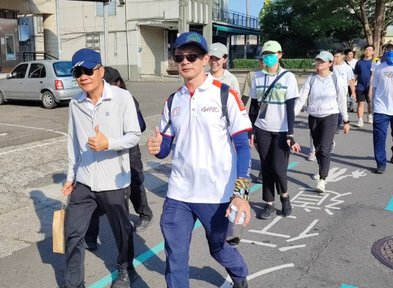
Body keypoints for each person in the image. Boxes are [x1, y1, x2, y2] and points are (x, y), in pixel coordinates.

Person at [147, 32, 252, 288]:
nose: (185, 61)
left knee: (220, 250)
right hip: (179, 194)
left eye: (192, 56)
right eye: (179, 57)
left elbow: (242, 146)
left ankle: (239, 275)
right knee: (175, 258)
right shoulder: (173, 100)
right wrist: (158, 149)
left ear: (205, 59)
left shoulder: (225, 95)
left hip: (217, 194)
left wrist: (241, 193)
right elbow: (166, 148)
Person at [61, 48, 141, 288]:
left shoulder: (120, 97)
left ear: (101, 71)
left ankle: (126, 269)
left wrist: (109, 143)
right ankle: (74, 283)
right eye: (77, 72)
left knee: (121, 231)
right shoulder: (76, 103)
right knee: (73, 234)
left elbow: (134, 135)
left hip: (113, 180)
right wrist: (70, 176)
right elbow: (73, 142)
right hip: (84, 180)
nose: (83, 76)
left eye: (87, 70)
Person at [84, 67, 153, 251]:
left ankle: (144, 214)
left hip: (127, 150)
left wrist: (117, 131)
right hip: (103, 152)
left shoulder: (126, 99)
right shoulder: (93, 100)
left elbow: (140, 126)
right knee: (95, 193)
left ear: (117, 83)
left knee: (135, 184)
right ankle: (90, 236)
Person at [248, 40, 301, 220]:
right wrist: (251, 129)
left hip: (281, 130)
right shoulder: (257, 77)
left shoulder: (288, 77)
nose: (268, 58)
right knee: (266, 167)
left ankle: (284, 196)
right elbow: (254, 106)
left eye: (272, 54)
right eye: (265, 55)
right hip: (262, 128)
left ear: (280, 55)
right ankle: (268, 204)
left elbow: (290, 107)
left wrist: (290, 134)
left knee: (279, 169)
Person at [296, 51, 351, 193]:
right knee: (318, 147)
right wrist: (291, 116)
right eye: (318, 60)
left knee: (324, 148)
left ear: (330, 63)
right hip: (314, 116)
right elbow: (301, 98)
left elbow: (342, 100)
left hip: (330, 116)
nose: (319, 63)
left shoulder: (336, 79)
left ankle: (322, 179)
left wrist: (346, 120)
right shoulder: (311, 79)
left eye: (323, 61)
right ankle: (322, 167)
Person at [370, 41, 393, 174]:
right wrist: (372, 103)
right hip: (381, 107)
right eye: (388, 48)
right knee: (379, 136)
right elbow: (375, 87)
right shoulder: (380, 67)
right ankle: (381, 162)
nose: (391, 51)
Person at [333, 49, 357, 133]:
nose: (336, 58)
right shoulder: (331, 67)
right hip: (331, 92)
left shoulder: (347, 68)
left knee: (340, 108)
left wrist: (353, 92)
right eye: (334, 57)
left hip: (342, 92)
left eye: (337, 56)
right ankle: (333, 125)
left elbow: (351, 81)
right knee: (333, 109)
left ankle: (337, 125)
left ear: (342, 56)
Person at [354, 44, 375, 127]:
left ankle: (370, 115)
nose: (367, 52)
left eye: (370, 50)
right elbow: (355, 75)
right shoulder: (359, 62)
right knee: (360, 103)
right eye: (366, 50)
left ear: (373, 52)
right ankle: (360, 120)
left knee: (370, 103)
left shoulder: (375, 62)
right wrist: (352, 86)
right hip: (360, 86)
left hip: (371, 86)